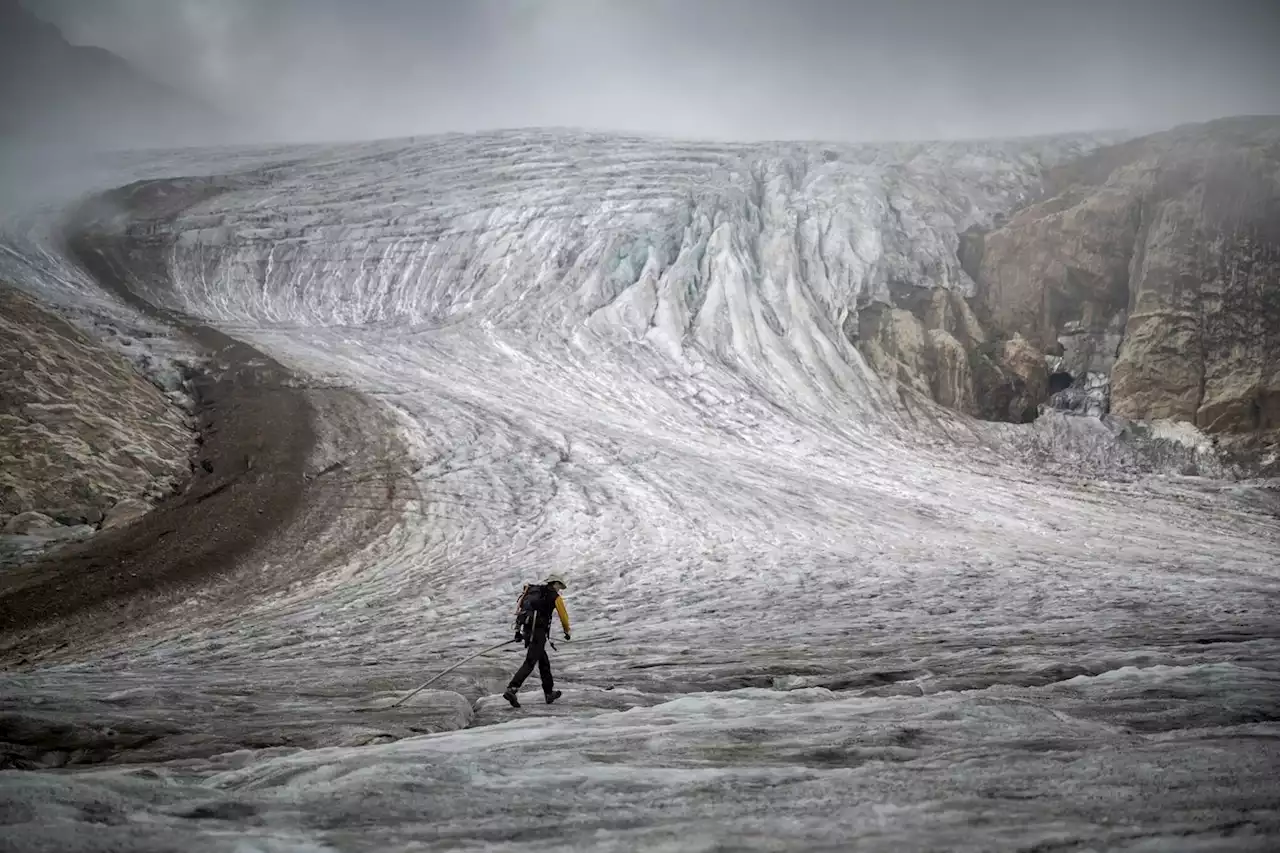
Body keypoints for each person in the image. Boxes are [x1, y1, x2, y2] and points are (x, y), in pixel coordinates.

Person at [503, 573, 570, 708]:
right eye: (559, 586)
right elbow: (563, 615)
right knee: (530, 662)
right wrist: (566, 631)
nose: (560, 589)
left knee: (544, 662)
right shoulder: (554, 596)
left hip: (528, 630)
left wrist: (518, 631)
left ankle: (549, 693)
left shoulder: (535, 591)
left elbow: (521, 609)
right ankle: (512, 688)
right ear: (555, 583)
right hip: (538, 633)